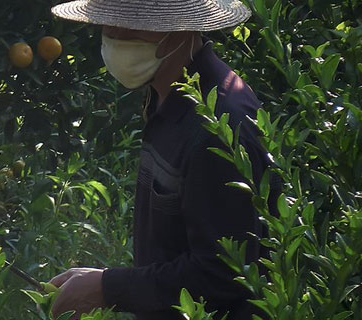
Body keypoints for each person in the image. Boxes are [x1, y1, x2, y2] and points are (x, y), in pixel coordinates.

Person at [46, 0, 279, 319]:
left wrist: (108, 287)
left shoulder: (218, 127)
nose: (114, 34)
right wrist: (103, 283)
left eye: (132, 22)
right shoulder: (167, 95)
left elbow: (225, 274)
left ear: (180, 28)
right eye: (109, 20)